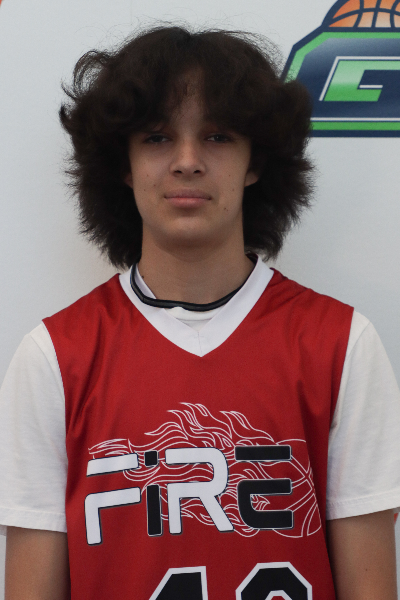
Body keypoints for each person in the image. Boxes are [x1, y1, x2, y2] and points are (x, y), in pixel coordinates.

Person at [1, 23, 400, 600]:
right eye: (157, 137)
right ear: (123, 163)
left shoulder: (341, 345)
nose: (187, 161)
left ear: (255, 161)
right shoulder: (53, 359)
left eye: (217, 136)